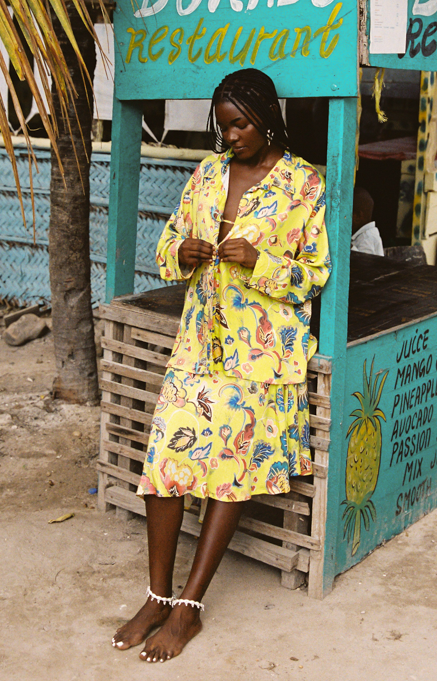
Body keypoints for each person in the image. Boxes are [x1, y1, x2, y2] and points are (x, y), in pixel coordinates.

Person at [112, 68, 331, 663]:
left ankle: (189, 607)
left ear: (267, 119)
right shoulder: (207, 174)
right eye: (223, 125)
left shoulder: (302, 184)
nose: (230, 136)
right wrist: (180, 253)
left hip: (260, 354)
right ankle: (156, 595)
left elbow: (316, 275)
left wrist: (261, 261)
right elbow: (166, 246)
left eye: (240, 124)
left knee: (230, 471)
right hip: (199, 342)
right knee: (164, 462)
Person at [350, 186, 384, 255]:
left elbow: (364, 263)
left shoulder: (367, 237)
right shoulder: (364, 235)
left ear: (358, 217)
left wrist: (347, 246)